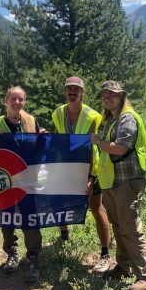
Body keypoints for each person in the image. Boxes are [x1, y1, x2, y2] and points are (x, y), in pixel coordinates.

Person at [91, 80, 146, 290]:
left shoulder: (127, 118)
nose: (107, 98)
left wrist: (98, 142)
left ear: (121, 96)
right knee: (118, 227)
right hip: (112, 182)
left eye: (112, 94)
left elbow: (119, 148)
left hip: (128, 182)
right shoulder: (110, 118)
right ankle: (123, 267)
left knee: (130, 228)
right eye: (104, 95)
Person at [52, 76, 111, 274]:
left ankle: (105, 253)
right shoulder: (57, 113)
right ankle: (64, 237)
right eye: (69, 88)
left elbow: (90, 147)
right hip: (67, 166)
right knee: (60, 202)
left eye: (76, 89)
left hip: (89, 167)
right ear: (64, 91)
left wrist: (89, 177)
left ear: (82, 93)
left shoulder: (93, 116)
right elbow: (58, 139)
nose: (72, 92)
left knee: (96, 207)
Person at [0, 86, 42, 283]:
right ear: (6, 101)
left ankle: (34, 256)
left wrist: (43, 137)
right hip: (4, 181)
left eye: (21, 99)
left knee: (30, 219)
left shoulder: (32, 122)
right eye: (13, 99)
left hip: (27, 180)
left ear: (24, 102)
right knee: (7, 219)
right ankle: (11, 253)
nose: (17, 102)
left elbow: (39, 148)